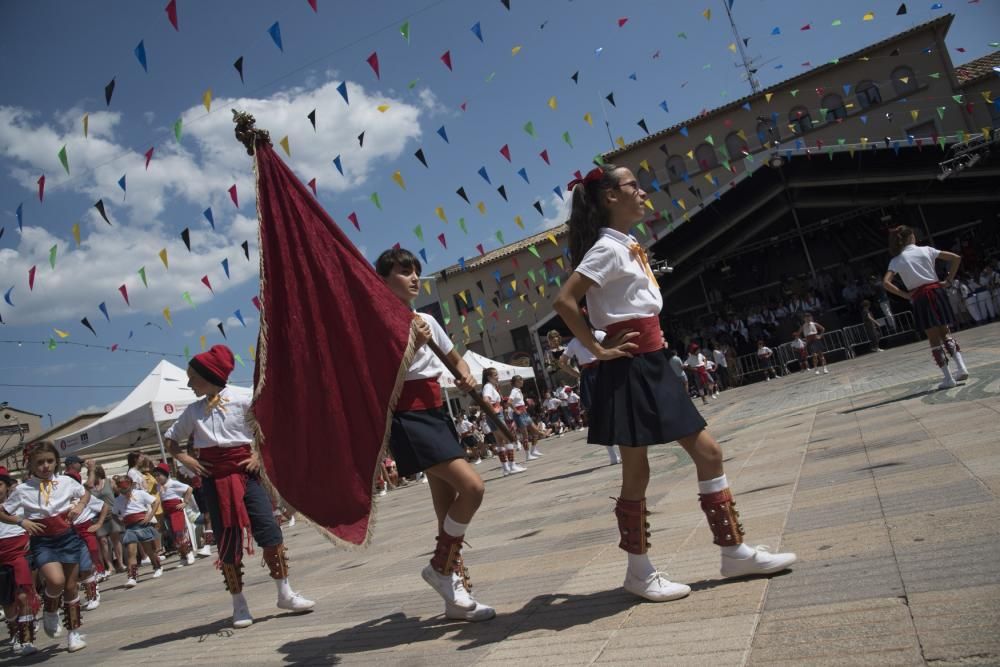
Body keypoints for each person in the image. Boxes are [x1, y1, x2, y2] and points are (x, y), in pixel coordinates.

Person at [552, 163, 795, 603]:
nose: (643, 192)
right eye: (633, 186)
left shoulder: (626, 245)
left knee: (703, 453)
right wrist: (598, 347)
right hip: (630, 365)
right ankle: (641, 570)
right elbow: (565, 300)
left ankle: (732, 549)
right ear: (610, 197)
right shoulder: (606, 249)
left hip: (651, 361)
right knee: (639, 469)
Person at [375, 247, 495, 622]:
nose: (413, 278)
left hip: (437, 410)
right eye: (404, 272)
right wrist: (410, 339)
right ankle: (440, 569)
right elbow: (381, 371)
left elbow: (454, 356)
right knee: (473, 488)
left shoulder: (425, 318)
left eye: (416, 272)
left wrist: (465, 373)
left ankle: (454, 597)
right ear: (382, 279)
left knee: (445, 507)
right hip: (408, 417)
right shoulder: (377, 321)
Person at [164, 345, 315, 629]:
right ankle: (239, 603)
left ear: (209, 376)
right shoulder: (193, 412)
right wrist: (185, 458)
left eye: (192, 377)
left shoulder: (245, 398)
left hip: (247, 477)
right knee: (226, 540)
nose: (188, 383)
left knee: (269, 530)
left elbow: (271, 427)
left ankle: (285, 593)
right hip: (214, 481)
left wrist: (259, 454)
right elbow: (171, 440)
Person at [0, 442, 92, 652]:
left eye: (50, 461)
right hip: (43, 541)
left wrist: (79, 505)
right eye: (40, 462)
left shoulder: (66, 481)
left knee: (70, 586)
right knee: (55, 580)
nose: (45, 466)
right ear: (30, 464)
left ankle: (74, 634)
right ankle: (50, 609)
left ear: (56, 461)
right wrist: (21, 522)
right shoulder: (23, 489)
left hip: (68, 537)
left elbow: (85, 493)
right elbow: (2, 512)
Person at [883, 226, 968, 389]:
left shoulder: (896, 260)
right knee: (946, 332)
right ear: (911, 237)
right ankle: (962, 367)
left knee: (933, 339)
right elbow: (956, 258)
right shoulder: (926, 250)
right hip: (937, 291)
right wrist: (949, 281)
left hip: (920, 296)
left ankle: (948, 378)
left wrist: (906, 295)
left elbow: (886, 283)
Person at [0, 467, 38, 656]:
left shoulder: (19, 504)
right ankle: (15, 631)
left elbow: (36, 520)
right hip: (1, 557)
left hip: (20, 553)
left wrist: (31, 537)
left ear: (7, 487)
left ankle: (27, 639)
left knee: (23, 595)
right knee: (7, 601)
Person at [64, 470, 108, 611]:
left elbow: (104, 506)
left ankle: (93, 594)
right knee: (74, 570)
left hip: (85, 530)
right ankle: (88, 593)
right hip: (68, 534)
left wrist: (99, 524)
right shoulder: (60, 499)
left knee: (87, 564)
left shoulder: (84, 497)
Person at [110, 475, 161, 588]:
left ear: (131, 486)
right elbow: (113, 514)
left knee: (149, 550)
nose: (125, 492)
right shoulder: (118, 500)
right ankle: (132, 577)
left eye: (127, 489)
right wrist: (120, 523)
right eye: (122, 490)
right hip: (130, 528)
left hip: (143, 524)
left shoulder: (140, 493)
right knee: (131, 552)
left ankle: (157, 566)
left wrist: (149, 515)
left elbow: (156, 502)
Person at [482, 368, 526, 476]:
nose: (498, 377)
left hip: (492, 416)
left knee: (500, 442)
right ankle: (512, 465)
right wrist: (494, 413)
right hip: (496, 415)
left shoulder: (490, 386)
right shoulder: (488, 386)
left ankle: (506, 467)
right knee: (508, 438)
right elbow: (486, 400)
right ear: (489, 377)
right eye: (495, 375)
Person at [152, 463, 196, 566]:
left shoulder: (173, 483)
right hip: (167, 513)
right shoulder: (159, 486)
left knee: (180, 533)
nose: (157, 477)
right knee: (173, 535)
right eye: (156, 475)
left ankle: (189, 553)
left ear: (166, 474)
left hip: (176, 512)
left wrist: (185, 502)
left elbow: (189, 489)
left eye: (159, 475)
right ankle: (183, 556)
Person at [508, 376, 547, 461]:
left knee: (535, 431)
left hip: (524, 412)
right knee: (525, 435)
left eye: (522, 380)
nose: (522, 381)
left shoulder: (518, 390)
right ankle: (527, 455)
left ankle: (533, 450)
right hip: (519, 414)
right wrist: (516, 411)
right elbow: (509, 402)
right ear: (516, 382)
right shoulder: (514, 391)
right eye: (520, 380)